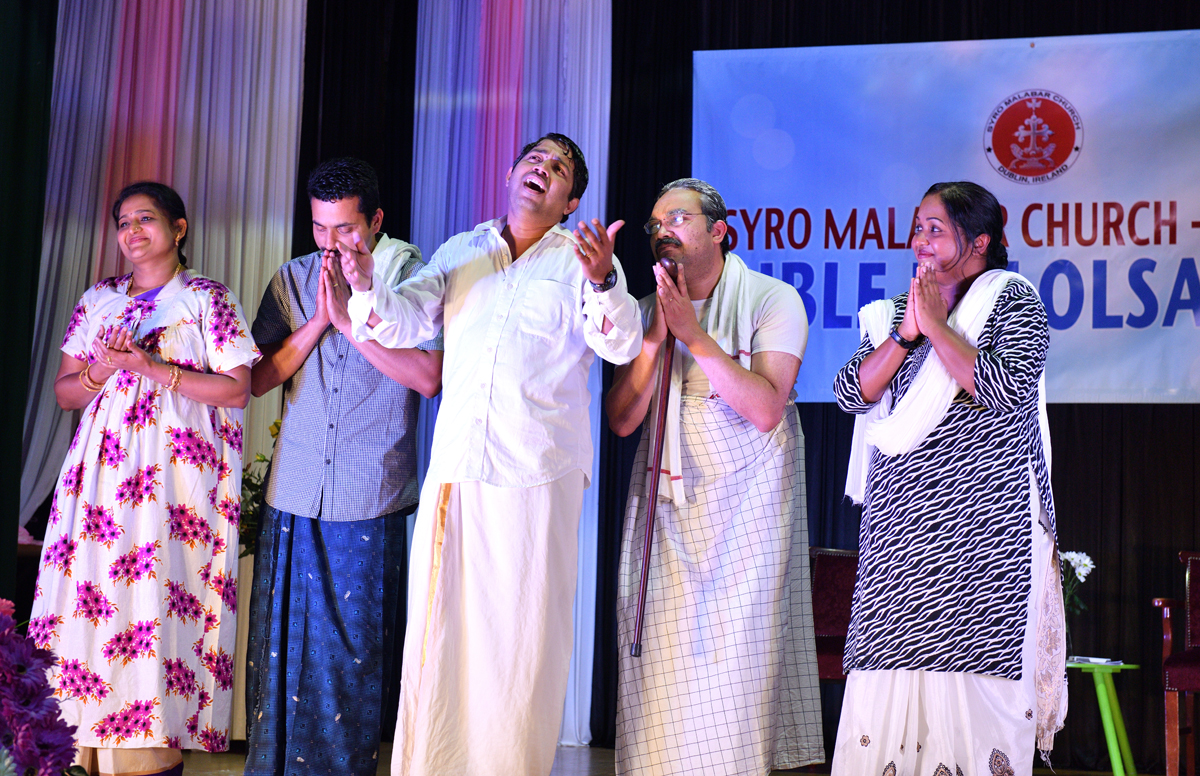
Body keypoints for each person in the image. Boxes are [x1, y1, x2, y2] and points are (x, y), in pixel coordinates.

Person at [337, 133, 642, 776]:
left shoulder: (581, 262)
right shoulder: (462, 250)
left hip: (537, 473)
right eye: (534, 158)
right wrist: (364, 284)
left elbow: (621, 344)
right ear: (509, 173)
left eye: (559, 168)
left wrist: (605, 279)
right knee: (441, 634)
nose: (542, 168)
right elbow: (404, 321)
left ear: (571, 202)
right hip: (458, 468)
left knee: (520, 642)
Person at [831, 181, 1067, 775]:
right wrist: (906, 333)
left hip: (983, 538)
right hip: (900, 538)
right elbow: (850, 393)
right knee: (888, 684)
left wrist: (937, 328)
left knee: (975, 686)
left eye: (935, 229)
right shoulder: (895, 313)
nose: (920, 240)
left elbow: (1004, 389)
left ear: (979, 241)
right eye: (918, 227)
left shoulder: (1012, 300)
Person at [31, 182, 259, 776]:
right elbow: (66, 393)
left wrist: (153, 367)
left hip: (173, 482)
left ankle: (149, 750)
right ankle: (79, 745)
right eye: (123, 222)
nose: (132, 231)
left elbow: (237, 389)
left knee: (155, 599)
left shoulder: (205, 297)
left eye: (146, 218)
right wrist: (102, 369)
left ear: (178, 228)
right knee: (92, 596)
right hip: (101, 475)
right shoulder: (98, 299)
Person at [606, 178, 824, 775]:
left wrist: (694, 337)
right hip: (665, 508)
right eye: (655, 225)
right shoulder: (646, 311)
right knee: (658, 662)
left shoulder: (773, 298)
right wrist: (657, 337)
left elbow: (766, 408)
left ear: (719, 230)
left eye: (677, 218)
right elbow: (621, 420)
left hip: (747, 516)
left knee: (736, 667)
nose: (662, 231)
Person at [243, 157, 443, 776]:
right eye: (319, 228)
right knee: (279, 656)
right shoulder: (293, 278)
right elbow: (257, 379)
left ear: (376, 220)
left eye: (346, 229)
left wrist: (352, 325)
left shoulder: (413, 279)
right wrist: (318, 323)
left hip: (367, 495)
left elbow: (428, 378)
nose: (330, 244)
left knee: (349, 663)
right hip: (294, 489)